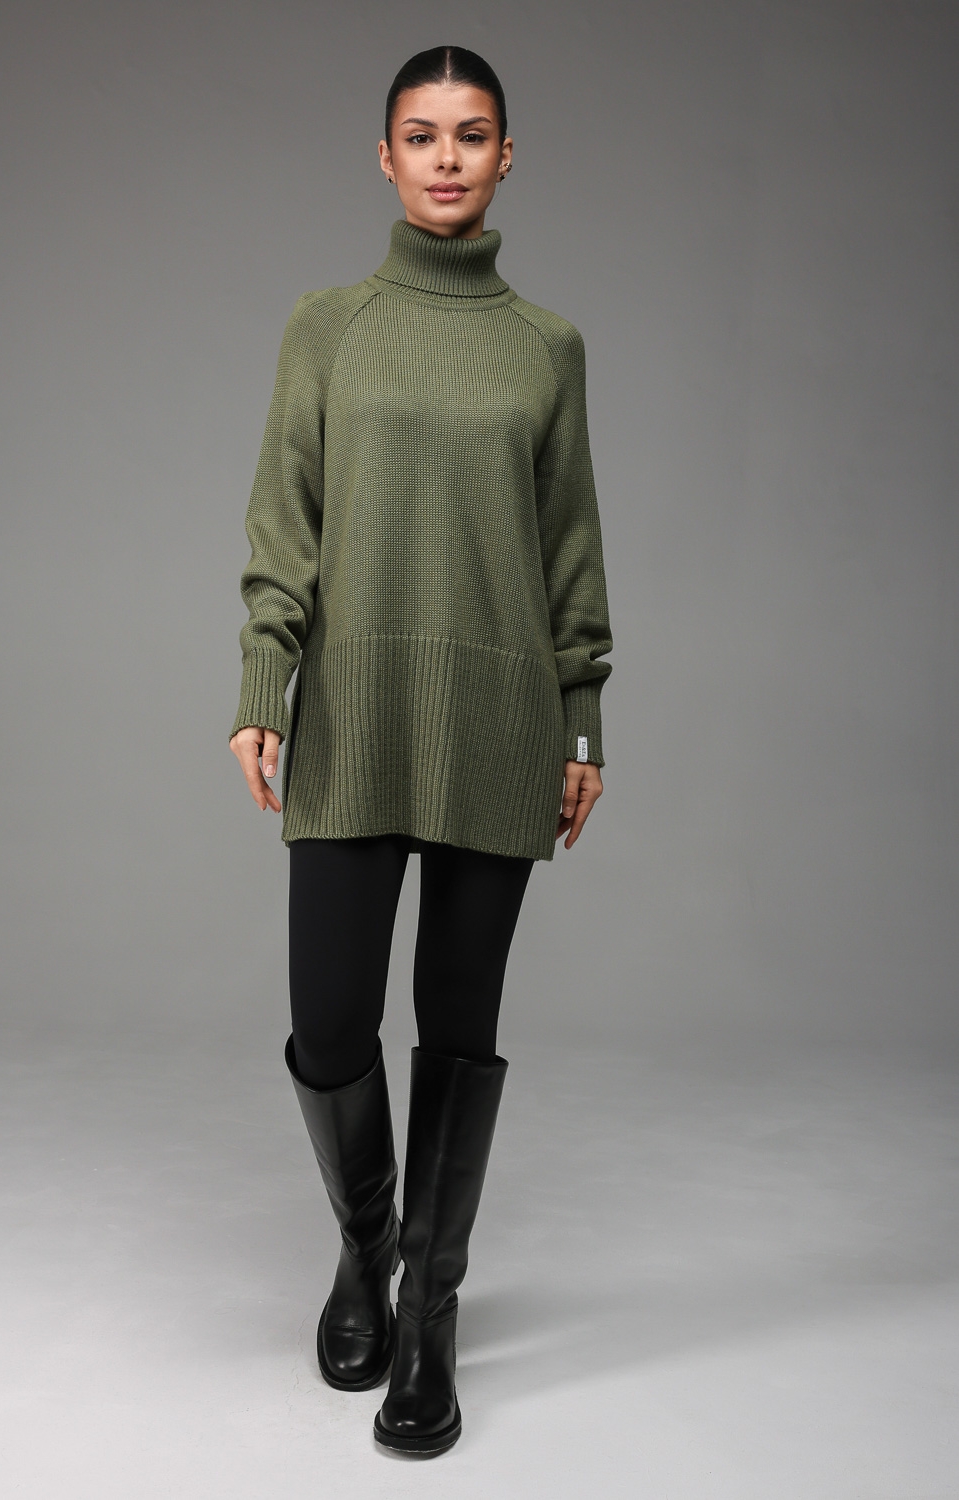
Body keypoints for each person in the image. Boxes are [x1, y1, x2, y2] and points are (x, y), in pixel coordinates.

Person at [227, 44, 612, 1457]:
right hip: (354, 711)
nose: (447, 158)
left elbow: (570, 549)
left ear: (508, 155)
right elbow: (286, 516)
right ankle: (365, 1249)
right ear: (382, 157)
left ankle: (429, 1316)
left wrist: (583, 718)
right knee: (330, 1019)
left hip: (502, 722)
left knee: (457, 1022)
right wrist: (265, 681)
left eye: (472, 134)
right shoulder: (326, 325)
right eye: (421, 134)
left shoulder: (547, 348)